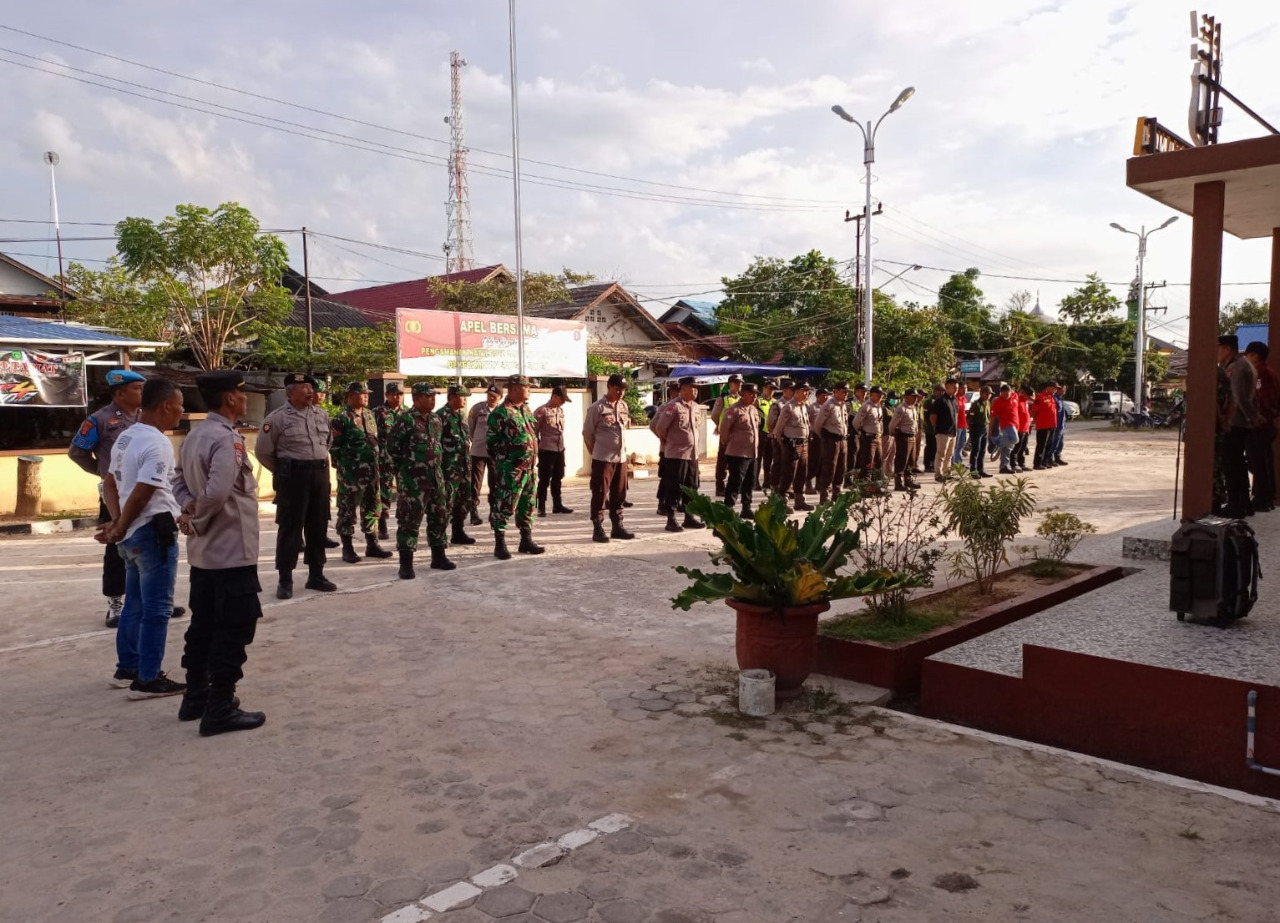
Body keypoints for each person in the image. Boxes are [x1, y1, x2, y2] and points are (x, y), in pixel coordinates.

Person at [171, 370, 267, 735]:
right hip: (231, 550)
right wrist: (195, 519)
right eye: (242, 394)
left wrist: (187, 509)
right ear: (230, 398)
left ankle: (195, 697)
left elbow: (178, 480)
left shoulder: (195, 435)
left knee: (203, 625)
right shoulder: (227, 439)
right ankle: (220, 707)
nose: (245, 400)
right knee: (234, 628)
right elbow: (217, 491)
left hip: (205, 555)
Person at [97, 378, 186, 699]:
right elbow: (143, 491)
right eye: (180, 405)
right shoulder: (157, 442)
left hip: (132, 534)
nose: (182, 411)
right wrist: (120, 525)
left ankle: (128, 668)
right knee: (157, 609)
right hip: (151, 532)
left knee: (134, 603)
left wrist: (117, 522)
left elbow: (109, 483)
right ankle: (148, 678)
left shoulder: (126, 436)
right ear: (166, 405)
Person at [70, 368, 172, 628]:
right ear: (119, 393)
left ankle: (154, 599)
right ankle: (115, 602)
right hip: (115, 495)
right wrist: (104, 473)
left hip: (147, 493)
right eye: (137, 389)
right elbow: (77, 452)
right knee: (117, 548)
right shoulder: (100, 420)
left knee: (153, 546)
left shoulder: (145, 417)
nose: (142, 392)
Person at [257, 373, 338, 600]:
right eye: (305, 387)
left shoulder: (322, 414)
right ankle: (285, 579)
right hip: (293, 477)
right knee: (290, 528)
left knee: (318, 525)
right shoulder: (277, 418)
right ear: (290, 392)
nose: (311, 391)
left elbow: (328, 443)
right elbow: (263, 452)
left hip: (319, 475)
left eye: (311, 387)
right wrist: (285, 470)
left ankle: (316, 574)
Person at [391, 383, 454, 576]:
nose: (433, 399)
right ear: (416, 398)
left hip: (436, 479)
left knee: (439, 518)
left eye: (434, 396)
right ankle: (406, 564)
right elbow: (392, 448)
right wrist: (405, 471)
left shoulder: (436, 419)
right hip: (413, 481)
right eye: (428, 396)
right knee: (409, 521)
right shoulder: (405, 420)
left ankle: (438, 556)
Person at [330, 382, 393, 564]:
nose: (366, 396)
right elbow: (334, 447)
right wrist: (344, 469)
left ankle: (372, 545)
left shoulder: (369, 415)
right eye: (362, 393)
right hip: (351, 474)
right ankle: (347, 548)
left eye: (367, 394)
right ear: (351, 396)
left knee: (372, 508)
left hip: (372, 472)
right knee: (347, 510)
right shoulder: (341, 419)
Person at [487, 374, 545, 559]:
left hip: (530, 468)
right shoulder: (501, 413)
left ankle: (526, 540)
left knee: (528, 505)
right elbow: (492, 444)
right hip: (511, 469)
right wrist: (508, 461)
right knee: (505, 505)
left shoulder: (525, 409)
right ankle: (500, 544)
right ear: (514, 389)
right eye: (526, 387)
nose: (529, 389)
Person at [584, 373, 635, 543]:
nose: (621, 393)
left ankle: (617, 526)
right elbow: (588, 433)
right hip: (603, 458)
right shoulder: (597, 408)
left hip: (620, 458)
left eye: (623, 390)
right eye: (617, 389)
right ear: (609, 387)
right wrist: (596, 452)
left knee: (619, 493)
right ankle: (598, 527)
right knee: (600, 493)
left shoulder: (623, 406)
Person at [651, 376, 706, 531]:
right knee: (674, 487)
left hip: (692, 455)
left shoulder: (695, 407)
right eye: (692, 388)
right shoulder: (673, 406)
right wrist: (668, 442)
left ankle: (689, 517)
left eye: (696, 388)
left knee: (692, 487)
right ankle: (671, 519)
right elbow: (659, 427)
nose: (695, 391)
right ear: (683, 389)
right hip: (676, 455)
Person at [1219, 334, 1259, 518]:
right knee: (1239, 465)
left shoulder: (1236, 367)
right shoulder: (1246, 364)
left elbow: (1238, 397)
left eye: (1218, 348)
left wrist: (1251, 416)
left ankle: (1235, 505)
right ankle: (1244, 503)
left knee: (1231, 466)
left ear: (1226, 349)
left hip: (1235, 422)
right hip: (1242, 422)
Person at [438, 384, 478, 547]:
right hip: (449, 468)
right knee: (446, 502)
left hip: (463, 466)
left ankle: (458, 532)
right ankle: (440, 536)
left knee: (463, 501)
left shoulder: (461, 415)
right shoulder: (441, 416)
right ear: (452, 397)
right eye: (462, 396)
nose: (465, 400)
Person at [719, 381, 762, 515]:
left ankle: (746, 508)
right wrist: (730, 444)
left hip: (752, 453)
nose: (754, 397)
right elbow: (724, 430)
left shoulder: (753, 410)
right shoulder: (734, 410)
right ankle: (728, 507)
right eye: (752, 394)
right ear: (743, 394)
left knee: (750, 481)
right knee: (735, 481)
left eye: (756, 394)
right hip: (738, 453)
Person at [308, 378, 341, 550]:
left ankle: (322, 535)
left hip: (321, 464)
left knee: (323, 500)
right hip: (302, 466)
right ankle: (299, 538)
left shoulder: (323, 414)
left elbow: (329, 440)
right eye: (318, 392)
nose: (321, 396)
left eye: (323, 393)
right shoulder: (295, 413)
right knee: (301, 504)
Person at [1245, 341, 1278, 512]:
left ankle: (1262, 498)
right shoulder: (1268, 371)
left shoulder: (1260, 373)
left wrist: (1256, 417)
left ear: (1255, 356)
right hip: (1267, 423)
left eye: (1248, 355)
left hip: (1260, 425)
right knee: (1263, 461)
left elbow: (1262, 398)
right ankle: (1265, 496)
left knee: (1257, 462)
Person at [772, 380, 814, 512]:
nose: (807, 394)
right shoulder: (788, 407)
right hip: (792, 444)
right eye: (804, 391)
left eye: (808, 391)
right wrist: (784, 444)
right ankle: (782, 502)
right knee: (788, 474)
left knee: (802, 472)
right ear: (797, 391)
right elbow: (778, 430)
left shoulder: (803, 406)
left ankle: (799, 501)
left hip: (804, 443)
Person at [535, 385, 574, 516]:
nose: (563, 402)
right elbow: (534, 431)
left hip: (559, 449)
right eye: (562, 399)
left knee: (558, 477)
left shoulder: (560, 411)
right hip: (546, 450)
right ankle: (540, 506)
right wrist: (537, 447)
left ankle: (557, 505)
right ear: (554, 396)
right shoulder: (542, 411)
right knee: (544, 480)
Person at [373, 382, 406, 540]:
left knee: (405, 492)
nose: (397, 397)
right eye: (394, 394)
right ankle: (382, 524)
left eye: (400, 394)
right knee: (384, 492)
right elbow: (371, 436)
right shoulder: (378, 412)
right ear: (387, 395)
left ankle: (403, 522)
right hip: (384, 460)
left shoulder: (407, 413)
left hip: (404, 460)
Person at [467, 384, 502, 526]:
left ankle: (493, 511)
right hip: (478, 451)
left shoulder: (503, 411)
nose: (491, 398)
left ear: (500, 397)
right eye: (489, 395)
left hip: (495, 453)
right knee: (475, 483)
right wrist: (476, 439)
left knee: (495, 482)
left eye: (494, 396)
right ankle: (473, 512)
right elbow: (471, 427)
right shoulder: (478, 408)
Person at [812, 381, 850, 503]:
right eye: (843, 392)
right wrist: (824, 438)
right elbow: (817, 425)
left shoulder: (843, 405)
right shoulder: (829, 405)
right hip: (831, 440)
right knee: (829, 468)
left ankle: (836, 495)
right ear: (836, 391)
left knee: (841, 468)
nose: (846, 394)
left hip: (842, 440)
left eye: (847, 392)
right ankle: (825, 496)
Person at [710, 374, 743, 497]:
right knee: (723, 461)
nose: (739, 386)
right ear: (731, 384)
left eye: (740, 383)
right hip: (726, 434)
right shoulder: (723, 399)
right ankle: (720, 486)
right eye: (737, 383)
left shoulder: (741, 399)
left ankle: (733, 485)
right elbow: (714, 415)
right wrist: (720, 426)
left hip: (738, 435)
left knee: (736, 461)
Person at [852, 386, 887, 484]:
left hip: (877, 437)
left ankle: (876, 484)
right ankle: (865, 484)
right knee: (868, 462)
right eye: (878, 395)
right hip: (868, 438)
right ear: (871, 395)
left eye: (881, 395)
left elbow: (880, 422)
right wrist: (862, 432)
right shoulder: (866, 407)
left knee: (878, 461)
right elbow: (856, 422)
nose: (880, 397)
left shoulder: (879, 406)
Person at [766, 379, 795, 494]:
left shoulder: (795, 404)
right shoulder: (778, 404)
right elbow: (770, 422)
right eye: (790, 390)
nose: (793, 392)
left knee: (789, 464)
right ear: (784, 391)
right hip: (780, 437)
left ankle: (787, 487)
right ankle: (775, 485)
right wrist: (775, 433)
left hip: (790, 439)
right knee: (778, 462)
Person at [890, 389, 922, 491]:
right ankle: (898, 482)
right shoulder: (901, 408)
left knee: (911, 461)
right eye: (913, 397)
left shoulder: (912, 408)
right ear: (907, 397)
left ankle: (908, 480)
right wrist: (894, 433)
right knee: (901, 460)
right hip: (904, 436)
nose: (916, 399)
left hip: (912, 436)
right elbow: (893, 424)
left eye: (916, 397)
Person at [930, 379, 960, 481]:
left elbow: (956, 415)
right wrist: (937, 429)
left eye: (957, 388)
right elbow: (933, 417)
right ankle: (938, 474)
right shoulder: (940, 401)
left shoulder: (955, 400)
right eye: (954, 388)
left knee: (949, 455)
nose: (956, 390)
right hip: (943, 432)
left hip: (953, 432)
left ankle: (947, 473)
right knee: (941, 454)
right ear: (947, 387)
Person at [989, 384, 1020, 474]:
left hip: (1015, 424)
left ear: (1011, 392)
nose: (1006, 396)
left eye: (1008, 394)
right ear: (1001, 393)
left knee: (1007, 448)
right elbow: (993, 416)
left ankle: (1003, 467)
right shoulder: (998, 402)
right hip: (1006, 425)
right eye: (1004, 394)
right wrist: (990, 428)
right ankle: (998, 442)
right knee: (1015, 439)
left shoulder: (1015, 396)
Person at [1032, 382, 1060, 470]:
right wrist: (1034, 421)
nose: (1056, 390)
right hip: (1043, 425)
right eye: (1054, 388)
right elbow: (1034, 410)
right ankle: (1037, 463)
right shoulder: (1040, 397)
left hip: (1052, 425)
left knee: (1049, 444)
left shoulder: (1052, 398)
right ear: (1048, 387)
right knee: (1041, 445)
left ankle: (1045, 462)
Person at [966, 385, 993, 478]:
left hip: (985, 427)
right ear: (981, 394)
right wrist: (971, 428)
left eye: (990, 394)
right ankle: (973, 471)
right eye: (987, 394)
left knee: (983, 450)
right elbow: (969, 417)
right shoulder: (976, 404)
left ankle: (980, 470)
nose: (989, 396)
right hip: (976, 427)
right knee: (976, 450)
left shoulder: (988, 403)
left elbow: (989, 416)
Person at [756, 380, 777, 490]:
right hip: (761, 433)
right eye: (769, 388)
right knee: (758, 459)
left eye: (773, 389)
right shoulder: (758, 401)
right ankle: (755, 482)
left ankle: (767, 481)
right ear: (764, 388)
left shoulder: (775, 402)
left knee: (769, 459)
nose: (771, 391)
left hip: (772, 434)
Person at [922, 384, 942, 472]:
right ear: (936, 391)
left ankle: (933, 463)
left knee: (935, 447)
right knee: (930, 447)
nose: (941, 393)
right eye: (940, 391)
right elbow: (925, 415)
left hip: (938, 429)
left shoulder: (940, 401)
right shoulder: (929, 402)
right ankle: (928, 464)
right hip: (930, 429)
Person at [1012, 385, 1033, 472]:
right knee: (1016, 448)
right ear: (1023, 393)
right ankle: (1014, 464)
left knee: (1023, 447)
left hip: (1026, 428)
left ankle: (1022, 464)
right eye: (1027, 395)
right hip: (1019, 428)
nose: (1029, 397)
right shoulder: (1017, 399)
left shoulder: (1026, 401)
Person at [953, 386, 969, 468]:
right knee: (955, 444)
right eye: (962, 388)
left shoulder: (963, 399)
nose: (965, 390)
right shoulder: (955, 399)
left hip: (963, 425)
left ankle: (958, 461)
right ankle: (953, 462)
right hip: (957, 425)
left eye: (966, 388)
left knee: (961, 444)